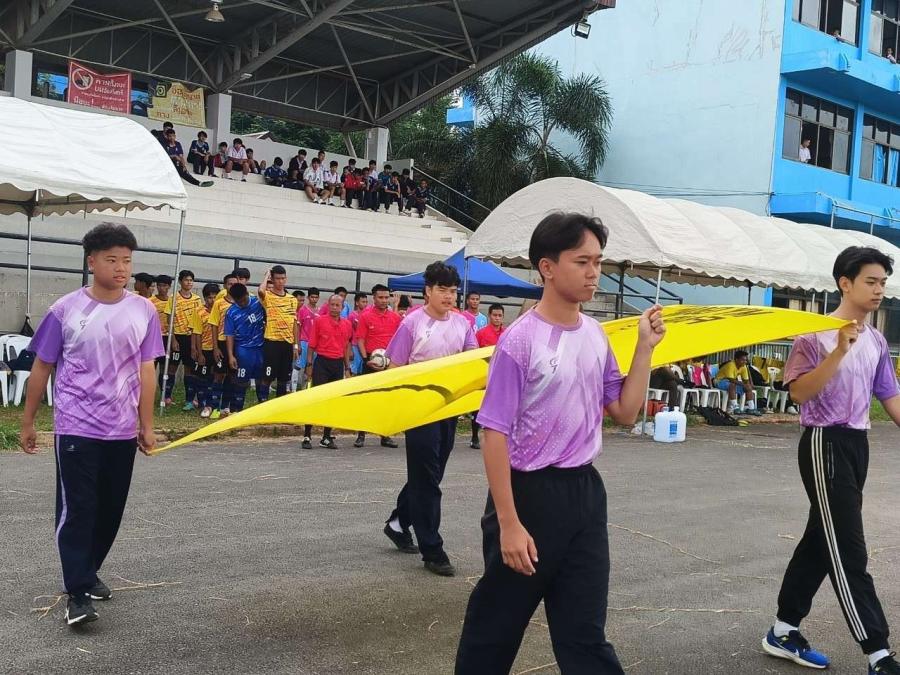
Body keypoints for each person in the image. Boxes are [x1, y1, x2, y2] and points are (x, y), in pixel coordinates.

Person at [455, 212, 666, 674]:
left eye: (598, 262)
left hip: (585, 495)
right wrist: (509, 524)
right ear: (547, 268)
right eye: (582, 262)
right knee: (495, 629)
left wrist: (645, 348)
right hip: (529, 496)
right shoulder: (520, 341)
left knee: (584, 634)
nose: (594, 273)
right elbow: (494, 432)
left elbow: (625, 412)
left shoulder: (595, 335)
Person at [762, 246, 900, 675]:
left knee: (822, 540)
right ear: (845, 283)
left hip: (858, 443)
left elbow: (890, 398)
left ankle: (783, 629)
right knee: (848, 549)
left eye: (883, 283)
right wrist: (838, 351)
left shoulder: (877, 341)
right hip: (824, 441)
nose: (879, 290)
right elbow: (799, 393)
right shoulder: (814, 337)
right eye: (871, 282)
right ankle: (878, 654)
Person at [19, 222, 164, 627]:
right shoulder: (65, 310)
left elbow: (147, 369)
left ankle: (88, 569)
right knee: (79, 508)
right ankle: (78, 593)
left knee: (110, 509)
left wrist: (146, 424)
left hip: (121, 429)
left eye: (126, 261)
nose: (121, 268)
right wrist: (28, 421)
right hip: (76, 427)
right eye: (112, 260)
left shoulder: (144, 311)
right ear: (92, 262)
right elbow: (42, 366)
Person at [382, 261, 479, 577]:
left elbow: (472, 364)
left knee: (431, 474)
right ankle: (433, 550)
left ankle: (398, 522)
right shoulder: (412, 323)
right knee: (427, 478)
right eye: (442, 290)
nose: (449, 296)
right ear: (428, 291)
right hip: (419, 408)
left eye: (453, 291)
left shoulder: (463, 324)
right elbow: (395, 368)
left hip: (448, 408)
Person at [353, 284, 402, 449]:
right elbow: (360, 339)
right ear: (374, 298)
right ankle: (361, 435)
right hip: (370, 361)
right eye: (380, 297)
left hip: (388, 363)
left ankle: (385, 435)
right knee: (366, 399)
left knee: (386, 400)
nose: (384, 300)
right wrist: (365, 359)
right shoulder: (366, 316)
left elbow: (399, 340)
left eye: (386, 297)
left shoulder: (395, 317)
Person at [302, 294, 353, 450]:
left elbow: (345, 347)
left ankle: (326, 436)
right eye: (332, 305)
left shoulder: (347, 324)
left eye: (338, 305)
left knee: (332, 401)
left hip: (337, 364)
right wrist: (309, 364)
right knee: (315, 399)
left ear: (342, 307)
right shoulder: (319, 321)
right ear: (328, 305)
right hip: (322, 363)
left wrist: (347, 368)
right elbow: (311, 345)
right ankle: (307, 435)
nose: (335, 308)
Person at [258, 266, 300, 401]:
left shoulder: (292, 299)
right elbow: (260, 291)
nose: (281, 281)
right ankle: (263, 403)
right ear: (273, 279)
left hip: (287, 343)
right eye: (277, 278)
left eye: (283, 278)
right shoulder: (268, 296)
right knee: (267, 376)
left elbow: (294, 322)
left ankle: (279, 404)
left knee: (284, 378)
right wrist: (266, 276)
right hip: (272, 342)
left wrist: (295, 345)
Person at [163, 270, 203, 410]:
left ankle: (189, 400)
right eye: (186, 280)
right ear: (180, 281)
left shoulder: (197, 299)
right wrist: (173, 339)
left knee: (189, 368)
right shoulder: (173, 298)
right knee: (172, 367)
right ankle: (167, 397)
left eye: (191, 280)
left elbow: (199, 319)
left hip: (190, 337)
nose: (189, 282)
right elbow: (169, 319)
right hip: (177, 336)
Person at [223, 283, 266, 413]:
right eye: (238, 301)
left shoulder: (258, 303)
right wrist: (231, 356)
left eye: (243, 300)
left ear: (247, 294)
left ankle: (263, 408)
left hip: (260, 347)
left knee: (261, 379)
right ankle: (237, 409)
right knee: (241, 380)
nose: (242, 303)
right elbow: (229, 335)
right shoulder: (231, 313)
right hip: (243, 350)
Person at [469, 303, 505, 450]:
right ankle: (474, 437)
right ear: (489, 316)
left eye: (500, 315)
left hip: (501, 376)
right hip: (484, 375)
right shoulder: (481, 333)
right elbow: (473, 354)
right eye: (494, 315)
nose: (497, 318)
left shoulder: (507, 333)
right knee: (478, 406)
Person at [207, 273, 238, 419]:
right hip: (222, 342)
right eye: (230, 284)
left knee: (232, 376)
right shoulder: (219, 303)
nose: (232, 286)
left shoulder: (242, 302)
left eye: (235, 284)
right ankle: (214, 407)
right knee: (219, 375)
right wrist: (215, 348)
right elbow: (213, 325)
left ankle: (226, 406)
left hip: (238, 343)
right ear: (225, 286)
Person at [192, 283, 219, 418]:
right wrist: (199, 352)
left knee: (216, 376)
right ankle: (202, 402)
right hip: (205, 349)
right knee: (203, 377)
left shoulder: (221, 310)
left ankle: (214, 404)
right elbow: (197, 332)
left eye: (215, 297)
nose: (212, 300)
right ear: (204, 298)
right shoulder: (199, 311)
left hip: (218, 350)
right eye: (209, 297)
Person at [716, 350, 762, 415]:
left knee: (748, 387)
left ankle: (751, 408)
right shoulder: (730, 365)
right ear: (736, 360)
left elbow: (746, 380)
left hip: (731, 383)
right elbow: (731, 379)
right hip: (720, 381)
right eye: (742, 360)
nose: (745, 362)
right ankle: (735, 407)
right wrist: (743, 384)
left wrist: (748, 385)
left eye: (745, 360)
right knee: (732, 385)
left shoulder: (743, 366)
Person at [295, 287, 320, 392]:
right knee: (298, 366)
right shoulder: (302, 310)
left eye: (316, 297)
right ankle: (293, 389)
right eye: (312, 297)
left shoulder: (320, 311)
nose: (314, 299)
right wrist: (298, 344)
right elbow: (298, 328)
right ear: (308, 297)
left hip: (316, 344)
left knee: (310, 367)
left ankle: (305, 388)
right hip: (304, 342)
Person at [151, 274, 173, 396]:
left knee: (165, 368)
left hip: (166, 337)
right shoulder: (150, 301)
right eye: (159, 285)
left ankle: (165, 395)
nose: (161, 288)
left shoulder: (172, 301)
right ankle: (148, 393)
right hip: (153, 338)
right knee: (151, 366)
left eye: (164, 285)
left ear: (169, 287)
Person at [348, 292, 368, 375]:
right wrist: (349, 350)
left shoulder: (368, 315)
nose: (365, 304)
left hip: (365, 346)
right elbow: (348, 334)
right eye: (363, 302)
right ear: (357, 303)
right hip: (355, 345)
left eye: (366, 302)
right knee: (354, 369)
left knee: (362, 368)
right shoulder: (352, 315)